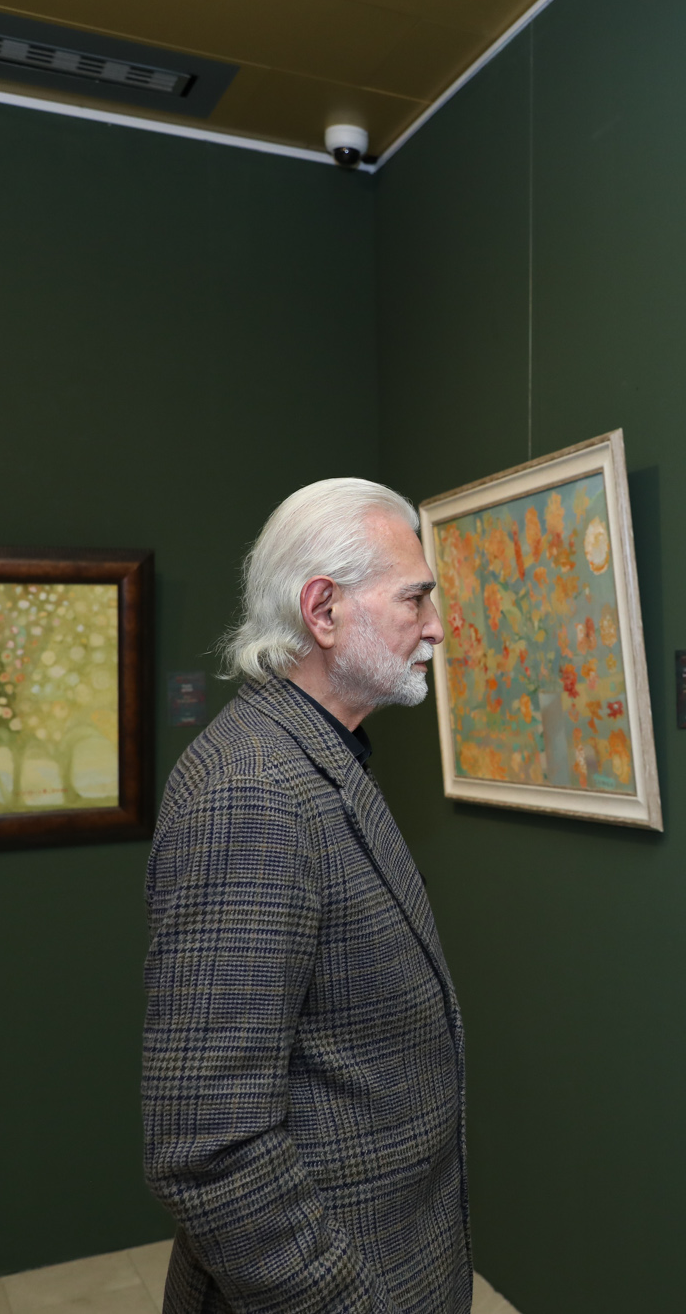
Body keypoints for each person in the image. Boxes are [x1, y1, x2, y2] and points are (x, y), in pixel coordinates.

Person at [142, 478, 464, 1314]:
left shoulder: (317, 755)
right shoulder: (251, 791)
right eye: (415, 598)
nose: (436, 626)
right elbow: (210, 1145)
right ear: (323, 610)